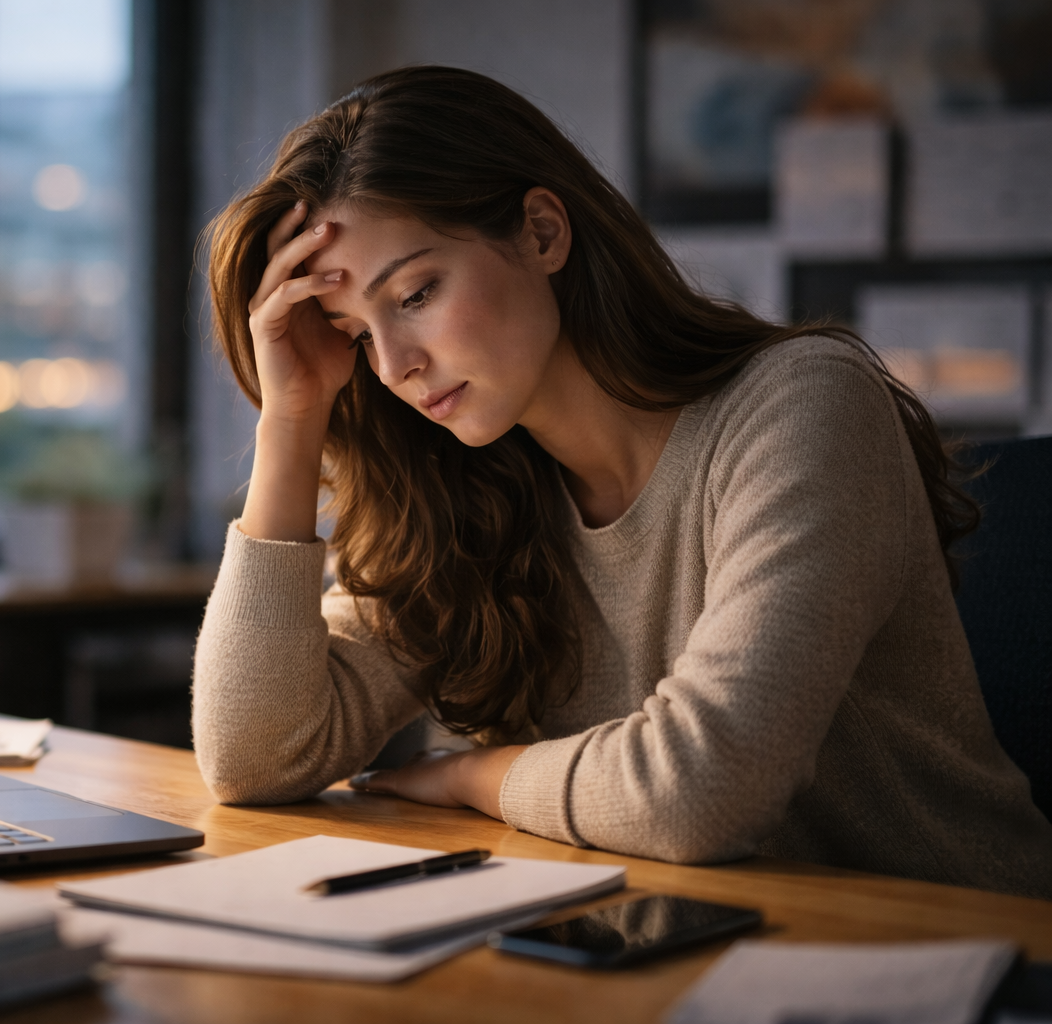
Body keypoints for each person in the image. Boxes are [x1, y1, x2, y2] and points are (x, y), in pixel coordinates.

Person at [191, 66, 1052, 898]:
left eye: (415, 293)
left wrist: (470, 778)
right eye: (353, 331)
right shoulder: (460, 492)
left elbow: (701, 791)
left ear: (541, 232)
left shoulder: (803, 404)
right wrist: (292, 419)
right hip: (661, 956)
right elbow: (258, 757)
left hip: (948, 956)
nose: (394, 367)